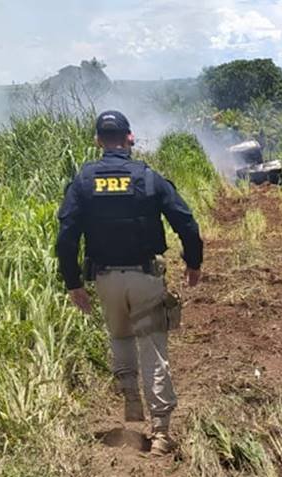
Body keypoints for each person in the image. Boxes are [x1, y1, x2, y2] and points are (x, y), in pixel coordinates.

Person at [56, 110, 203, 455]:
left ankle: (132, 405)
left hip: (105, 280)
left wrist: (73, 282)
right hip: (145, 277)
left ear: (97, 141)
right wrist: (193, 263)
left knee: (120, 336)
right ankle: (162, 432)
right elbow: (187, 223)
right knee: (152, 347)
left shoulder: (83, 181)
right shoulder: (149, 179)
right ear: (130, 139)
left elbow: (66, 236)